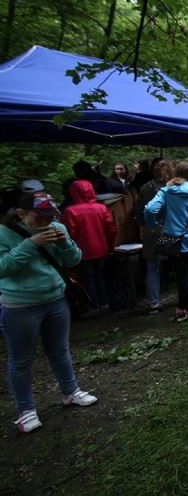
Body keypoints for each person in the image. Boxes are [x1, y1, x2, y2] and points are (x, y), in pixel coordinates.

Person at [0, 191, 97, 433]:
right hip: (20, 306)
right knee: (21, 359)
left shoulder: (56, 226)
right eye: (39, 217)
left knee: (60, 349)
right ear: (21, 214)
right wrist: (31, 244)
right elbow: (3, 268)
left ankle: (70, 391)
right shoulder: (4, 234)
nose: (46, 222)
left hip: (55, 299)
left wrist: (65, 243)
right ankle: (26, 410)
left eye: (49, 216)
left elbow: (74, 258)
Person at [144, 161, 188, 322]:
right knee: (185, 271)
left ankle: (184, 308)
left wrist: (154, 224)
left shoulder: (166, 191)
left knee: (181, 272)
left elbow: (149, 209)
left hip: (172, 239)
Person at [61, 180, 117, 319]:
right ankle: (105, 304)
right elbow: (111, 228)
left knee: (88, 279)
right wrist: (110, 245)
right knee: (99, 276)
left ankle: (94, 306)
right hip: (100, 248)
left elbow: (69, 234)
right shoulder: (101, 208)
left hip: (83, 251)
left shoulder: (70, 211)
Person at [135, 158, 172, 314]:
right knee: (183, 264)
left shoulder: (144, 188)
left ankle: (153, 304)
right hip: (172, 231)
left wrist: (142, 229)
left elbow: (139, 212)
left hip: (152, 232)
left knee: (152, 269)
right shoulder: (176, 188)